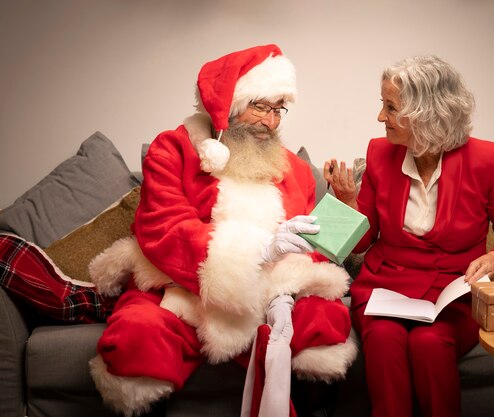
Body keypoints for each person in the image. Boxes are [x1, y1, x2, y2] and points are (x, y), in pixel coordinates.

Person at [88, 44, 357, 417]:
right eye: (260, 106)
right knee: (138, 332)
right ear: (227, 104)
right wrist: (258, 249)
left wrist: (332, 221)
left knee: (326, 322)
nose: (271, 122)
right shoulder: (173, 150)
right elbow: (162, 228)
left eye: (279, 109)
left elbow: (311, 245)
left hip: (271, 292)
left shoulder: (293, 168)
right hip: (186, 286)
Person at [324, 55, 494, 417]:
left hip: (452, 297)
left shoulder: (487, 160)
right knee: (385, 340)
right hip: (385, 289)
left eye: (390, 108)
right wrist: (347, 202)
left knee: (429, 343)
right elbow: (362, 241)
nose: (380, 118)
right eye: (383, 105)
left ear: (425, 113)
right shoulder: (378, 154)